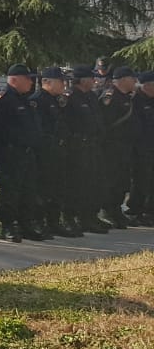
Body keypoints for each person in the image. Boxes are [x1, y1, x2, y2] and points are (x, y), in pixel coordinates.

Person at [0, 65, 43, 242]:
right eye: (27, 78)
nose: (31, 81)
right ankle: (8, 226)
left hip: (27, 153)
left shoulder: (26, 99)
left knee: (28, 190)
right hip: (10, 154)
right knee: (10, 192)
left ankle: (25, 224)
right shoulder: (3, 100)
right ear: (14, 79)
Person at [31, 66, 77, 237]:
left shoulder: (55, 100)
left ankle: (53, 221)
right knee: (43, 189)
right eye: (61, 81)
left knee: (57, 188)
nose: (64, 85)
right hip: (45, 154)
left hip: (58, 152)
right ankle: (39, 221)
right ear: (47, 82)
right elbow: (39, 130)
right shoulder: (38, 100)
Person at [63, 66, 108, 234]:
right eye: (92, 78)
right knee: (77, 184)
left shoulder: (91, 96)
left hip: (93, 146)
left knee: (93, 182)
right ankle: (71, 217)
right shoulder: (70, 97)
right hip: (77, 147)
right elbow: (66, 123)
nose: (95, 81)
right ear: (82, 80)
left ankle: (89, 216)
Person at [98, 66, 138, 229]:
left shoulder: (126, 97)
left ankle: (116, 210)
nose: (135, 82)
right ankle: (107, 210)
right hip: (111, 147)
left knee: (122, 181)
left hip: (124, 147)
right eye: (132, 79)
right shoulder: (110, 96)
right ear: (123, 80)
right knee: (111, 180)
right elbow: (104, 123)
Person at [129, 72, 154, 227]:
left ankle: (149, 210)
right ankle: (135, 210)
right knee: (140, 180)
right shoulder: (135, 101)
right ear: (147, 85)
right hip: (140, 148)